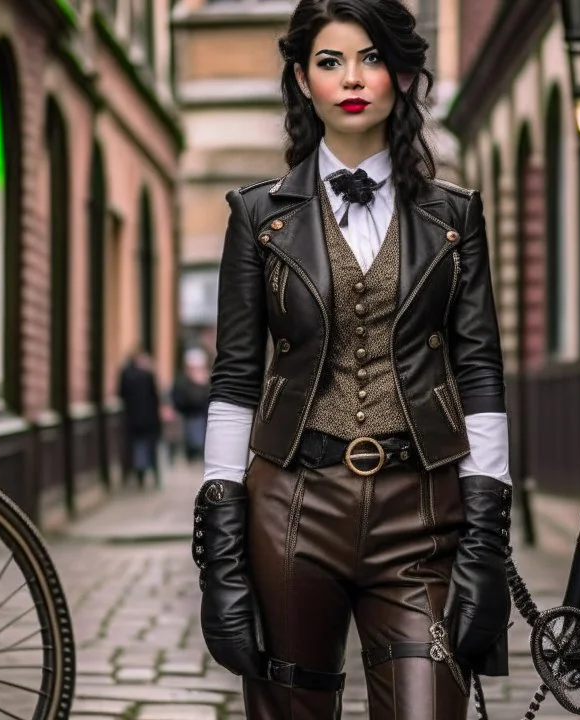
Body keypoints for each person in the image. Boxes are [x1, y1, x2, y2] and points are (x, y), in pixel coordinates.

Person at [191, 0, 512, 717]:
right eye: (330, 61)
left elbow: (480, 369)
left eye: (370, 57)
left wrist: (487, 530)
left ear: (400, 72)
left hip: (422, 508)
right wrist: (220, 528)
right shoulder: (256, 216)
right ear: (303, 80)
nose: (352, 77)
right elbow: (237, 377)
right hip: (291, 507)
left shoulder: (456, 216)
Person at [117, 348, 163, 488]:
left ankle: (137, 477)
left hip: (131, 420)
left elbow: (121, 394)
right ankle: (154, 477)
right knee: (150, 450)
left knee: (133, 448)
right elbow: (155, 398)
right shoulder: (148, 376)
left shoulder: (125, 375)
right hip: (149, 421)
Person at [172, 347, 212, 462]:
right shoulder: (182, 382)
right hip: (188, 420)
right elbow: (181, 401)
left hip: (205, 421)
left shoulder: (208, 380)